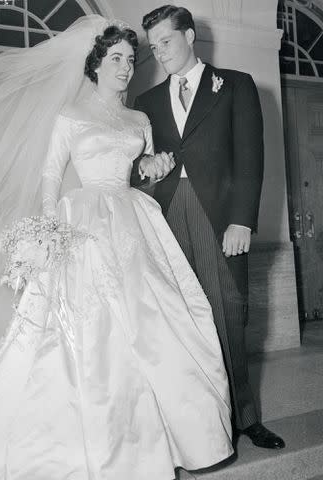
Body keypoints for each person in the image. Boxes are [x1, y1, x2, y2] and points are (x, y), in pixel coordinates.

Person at [0, 15, 233, 479]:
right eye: (116, 59)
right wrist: (49, 230)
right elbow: (51, 173)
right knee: (86, 329)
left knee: (155, 319)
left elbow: (140, 172)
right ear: (95, 65)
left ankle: (172, 436)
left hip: (133, 219)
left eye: (131, 59)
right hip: (81, 220)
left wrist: (154, 165)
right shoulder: (70, 116)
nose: (126, 67)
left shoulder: (139, 118)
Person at [133, 5, 285, 450]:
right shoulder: (147, 103)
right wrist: (148, 167)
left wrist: (243, 219)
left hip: (219, 217)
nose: (160, 53)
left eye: (166, 41)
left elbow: (250, 157)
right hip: (166, 217)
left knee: (226, 312)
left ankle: (245, 417)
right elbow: (137, 171)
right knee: (180, 319)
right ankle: (199, 421)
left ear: (190, 35)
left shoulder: (235, 85)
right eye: (154, 45)